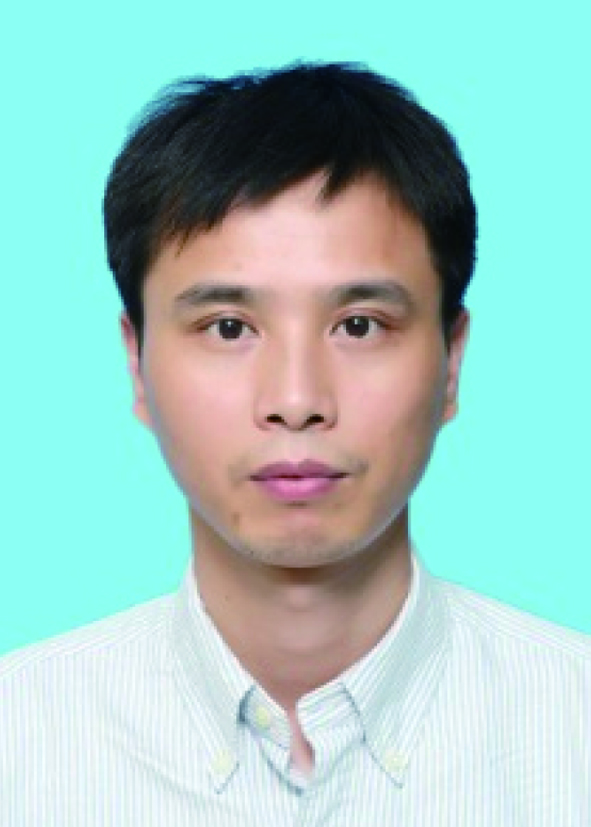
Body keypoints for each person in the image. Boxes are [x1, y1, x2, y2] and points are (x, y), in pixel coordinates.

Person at [1, 60, 589, 826]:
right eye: (228, 328)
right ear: (137, 363)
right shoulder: (20, 742)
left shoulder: (571, 727)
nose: (296, 400)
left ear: (450, 362)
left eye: (359, 325)